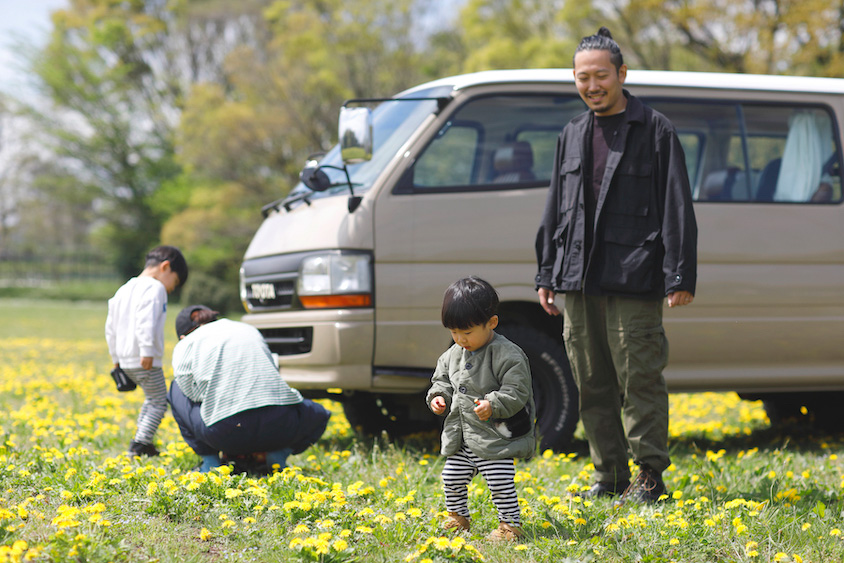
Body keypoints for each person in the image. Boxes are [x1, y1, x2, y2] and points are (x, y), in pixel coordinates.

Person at [534, 27, 697, 503]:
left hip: (635, 275)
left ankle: (649, 478)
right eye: (582, 77)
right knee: (591, 383)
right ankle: (609, 477)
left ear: (622, 74)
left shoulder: (656, 129)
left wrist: (680, 274)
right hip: (578, 278)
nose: (592, 86)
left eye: (601, 76)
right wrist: (547, 271)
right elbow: (555, 207)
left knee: (639, 378)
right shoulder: (572, 133)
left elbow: (677, 205)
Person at [426, 277, 535, 541]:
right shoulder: (451, 355)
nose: (460, 339)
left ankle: (510, 526)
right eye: (454, 332)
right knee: (451, 477)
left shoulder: (508, 354)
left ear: (492, 323)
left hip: (495, 438)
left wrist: (494, 403)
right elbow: (440, 381)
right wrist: (438, 397)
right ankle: (458, 517)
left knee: (500, 483)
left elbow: (517, 391)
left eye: (468, 332)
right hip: (462, 437)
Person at [168, 305, 330, 473]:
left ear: (182, 336)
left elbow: (192, 394)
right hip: (280, 426)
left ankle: (211, 463)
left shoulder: (187, 343)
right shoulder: (246, 329)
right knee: (320, 413)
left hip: (225, 432)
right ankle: (277, 455)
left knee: (176, 389)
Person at [105, 245, 189, 457]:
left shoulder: (124, 288)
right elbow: (146, 322)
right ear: (165, 267)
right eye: (175, 282)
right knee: (159, 401)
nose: (172, 288)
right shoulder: (155, 288)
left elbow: (110, 326)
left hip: (125, 360)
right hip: (144, 359)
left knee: (152, 399)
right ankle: (140, 444)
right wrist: (147, 351)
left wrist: (115, 358)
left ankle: (141, 438)